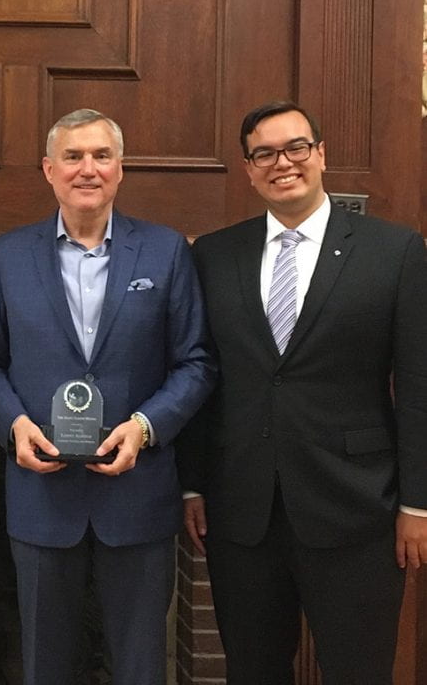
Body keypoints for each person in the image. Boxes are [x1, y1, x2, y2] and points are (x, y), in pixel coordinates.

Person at [178, 100, 427, 685]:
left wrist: (418, 502)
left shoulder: (394, 251)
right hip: (242, 513)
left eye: (295, 148)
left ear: (320, 155)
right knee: (253, 671)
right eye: (263, 153)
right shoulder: (214, 254)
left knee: (358, 671)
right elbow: (201, 373)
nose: (281, 162)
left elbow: (418, 384)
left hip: (359, 508)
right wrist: (192, 482)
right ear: (248, 168)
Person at [0, 108, 216, 685]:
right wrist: (12, 424)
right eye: (73, 157)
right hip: (41, 494)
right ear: (48, 170)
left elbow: (197, 361)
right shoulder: (6, 256)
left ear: (120, 169)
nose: (88, 169)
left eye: (101, 156)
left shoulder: (164, 252)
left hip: (138, 494)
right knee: (42, 665)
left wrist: (147, 426)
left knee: (139, 666)